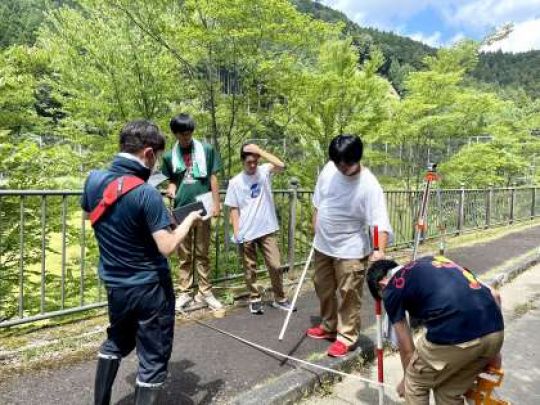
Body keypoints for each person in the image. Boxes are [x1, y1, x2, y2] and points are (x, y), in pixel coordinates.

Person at [81, 120, 202, 404]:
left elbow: (90, 217)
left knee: (118, 340)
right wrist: (190, 220)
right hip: (149, 288)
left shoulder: (94, 179)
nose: (156, 163)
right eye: (156, 157)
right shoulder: (146, 192)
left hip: (115, 284)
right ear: (148, 153)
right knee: (153, 356)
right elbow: (168, 246)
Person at [367, 255, 504, 404]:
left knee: (414, 383)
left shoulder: (392, 289)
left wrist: (407, 379)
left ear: (382, 284)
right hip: (495, 331)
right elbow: (495, 295)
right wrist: (495, 354)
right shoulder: (436, 260)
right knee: (448, 392)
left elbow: (406, 349)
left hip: (454, 334)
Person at [306, 134, 392, 357]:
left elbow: (380, 223)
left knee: (349, 294)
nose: (342, 169)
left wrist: (379, 251)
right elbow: (318, 201)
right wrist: (314, 225)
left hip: (351, 249)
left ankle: (346, 337)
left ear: (357, 158)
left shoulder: (369, 185)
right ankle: (328, 326)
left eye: (346, 164)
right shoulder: (329, 169)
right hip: (323, 244)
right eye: (338, 163)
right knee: (322, 287)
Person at [161, 113, 223, 311]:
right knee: (184, 254)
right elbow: (171, 180)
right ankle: (185, 292)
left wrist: (216, 203)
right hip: (181, 209)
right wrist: (171, 189)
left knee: (202, 251)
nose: (186, 137)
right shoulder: (169, 156)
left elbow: (213, 177)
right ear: (175, 134)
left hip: (202, 207)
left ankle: (205, 292)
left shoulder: (207, 149)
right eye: (182, 134)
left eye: (189, 133)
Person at [224, 143, 294, 314]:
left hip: (267, 228)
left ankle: (280, 298)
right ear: (243, 161)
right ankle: (254, 298)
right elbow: (233, 209)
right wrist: (237, 232)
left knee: (275, 265)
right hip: (247, 230)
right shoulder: (235, 182)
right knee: (250, 268)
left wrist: (260, 151)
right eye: (249, 162)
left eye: (255, 161)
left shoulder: (264, 171)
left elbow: (281, 165)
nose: (253, 165)